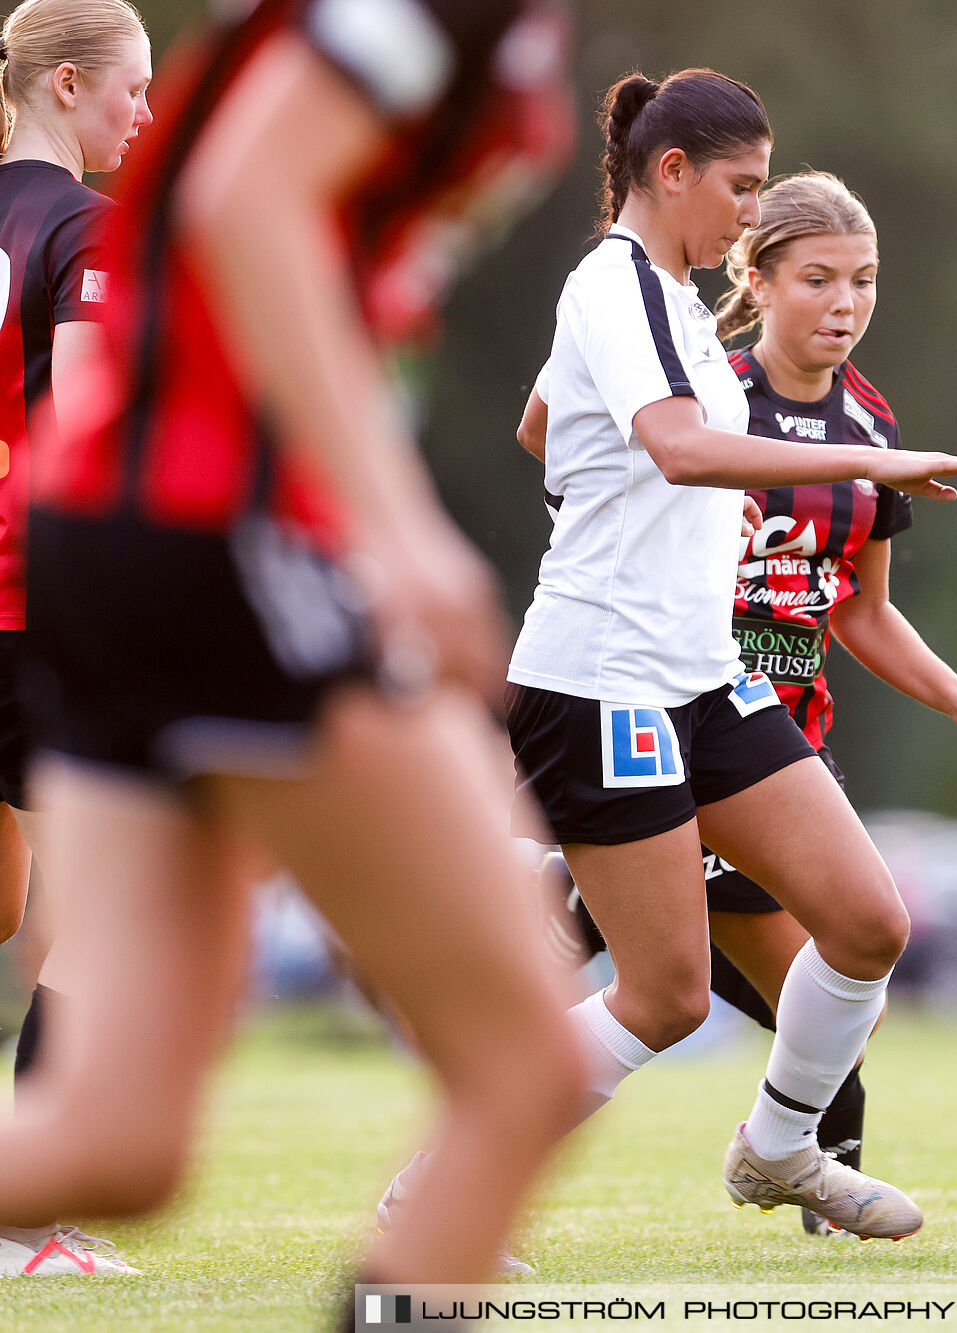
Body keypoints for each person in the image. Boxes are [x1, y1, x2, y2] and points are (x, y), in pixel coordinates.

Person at [1, 0, 588, 1307]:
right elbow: (245, 196)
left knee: (115, 1142)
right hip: (218, 534)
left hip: (114, 534)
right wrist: (394, 526)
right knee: (521, 1067)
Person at [491, 68, 957, 1243]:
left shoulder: (670, 301)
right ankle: (443, 1184)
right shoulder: (612, 286)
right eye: (742, 188)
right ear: (670, 174)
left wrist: (603, 478)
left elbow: (545, 424)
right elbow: (676, 446)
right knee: (664, 996)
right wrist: (867, 467)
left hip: (702, 673)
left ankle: (778, 1149)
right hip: (605, 679)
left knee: (869, 922)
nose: (748, 214)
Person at [0, 0, 151, 1279]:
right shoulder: (83, 228)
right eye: (131, 91)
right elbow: (90, 425)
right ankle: (19, 1222)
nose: (143, 116)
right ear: (64, 86)